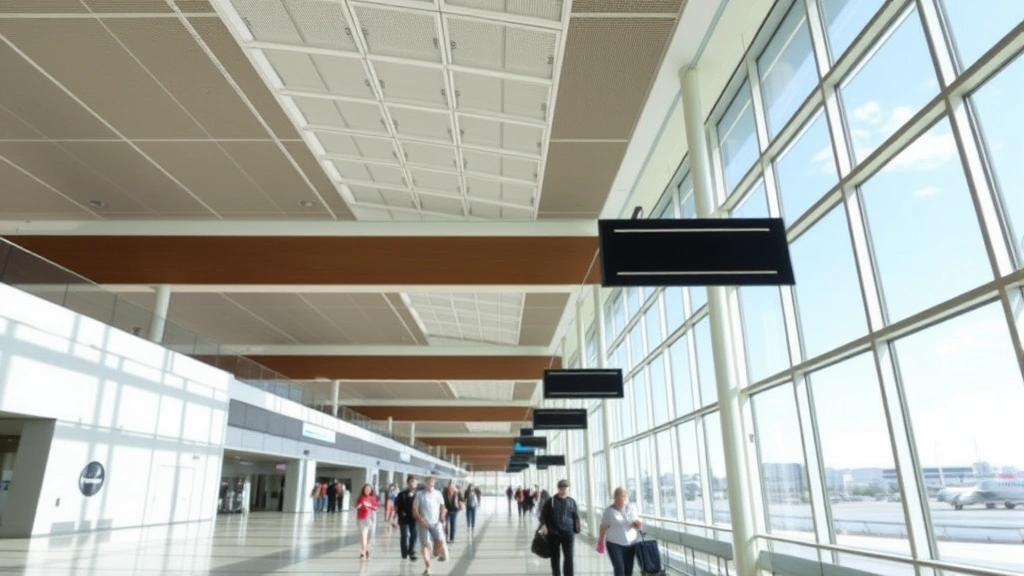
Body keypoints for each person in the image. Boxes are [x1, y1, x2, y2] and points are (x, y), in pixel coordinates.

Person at [598, 487, 643, 576]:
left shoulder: (632, 508)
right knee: (619, 569)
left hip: (631, 543)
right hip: (614, 544)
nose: (622, 498)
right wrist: (601, 541)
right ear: (615, 498)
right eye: (619, 496)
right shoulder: (609, 511)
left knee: (628, 570)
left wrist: (637, 524)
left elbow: (637, 521)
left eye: (624, 496)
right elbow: (603, 527)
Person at [539, 479, 580, 576]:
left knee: (569, 557)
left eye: (565, 488)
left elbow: (575, 516)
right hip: (554, 533)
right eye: (561, 488)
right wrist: (544, 525)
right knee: (555, 557)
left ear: (568, 489)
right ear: (558, 489)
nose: (563, 490)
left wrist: (576, 528)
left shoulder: (572, 501)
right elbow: (542, 516)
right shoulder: (551, 501)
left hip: (568, 534)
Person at [413, 476, 448, 576]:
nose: (430, 483)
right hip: (423, 523)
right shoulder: (420, 494)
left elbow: (443, 506)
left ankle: (436, 553)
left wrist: (442, 516)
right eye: (428, 482)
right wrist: (420, 518)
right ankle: (427, 567)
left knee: (440, 540)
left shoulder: (438, 494)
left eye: (432, 481)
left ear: (434, 483)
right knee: (425, 544)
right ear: (425, 483)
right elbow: (415, 508)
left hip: (436, 523)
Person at [396, 476, 419, 561]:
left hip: (414, 518)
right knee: (404, 535)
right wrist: (400, 514)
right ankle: (404, 553)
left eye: (415, 482)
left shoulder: (418, 494)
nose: (413, 483)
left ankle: (412, 551)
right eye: (411, 481)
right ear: (408, 483)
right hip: (404, 518)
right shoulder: (402, 494)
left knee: (414, 535)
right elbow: (398, 507)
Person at [356, 484, 379, 559]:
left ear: (371, 491)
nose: (367, 490)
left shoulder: (372, 498)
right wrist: (358, 506)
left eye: (369, 489)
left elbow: (376, 508)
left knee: (369, 536)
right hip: (361, 519)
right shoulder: (360, 497)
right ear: (363, 489)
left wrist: (369, 506)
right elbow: (356, 506)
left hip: (370, 519)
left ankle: (367, 550)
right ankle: (363, 551)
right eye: (366, 489)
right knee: (363, 535)